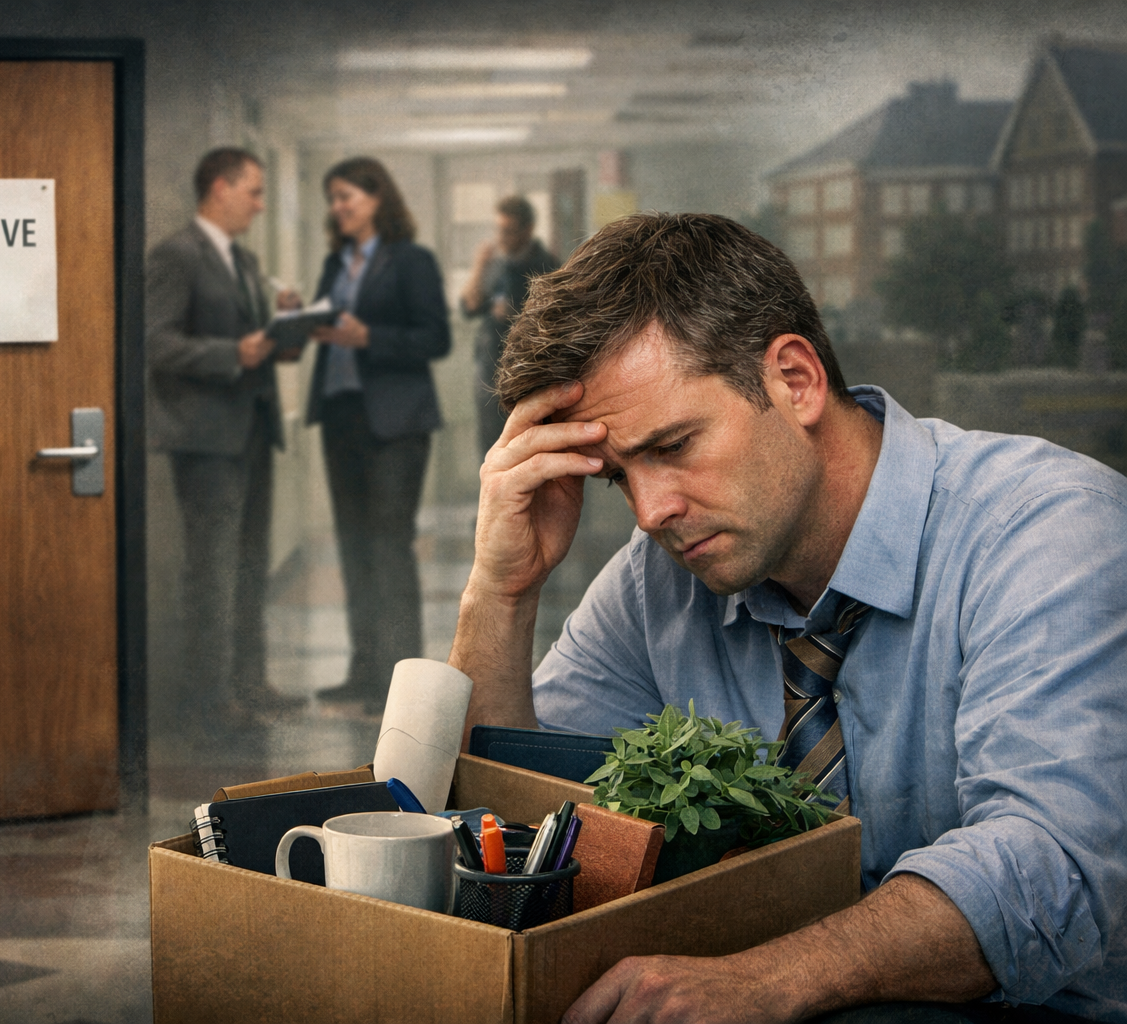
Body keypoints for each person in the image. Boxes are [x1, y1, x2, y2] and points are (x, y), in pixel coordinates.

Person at [451, 213, 1127, 1023]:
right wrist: (501, 592)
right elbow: (525, 837)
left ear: (796, 380)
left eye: (673, 445)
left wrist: (766, 981)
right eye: (618, 477)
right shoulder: (658, 581)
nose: (650, 511)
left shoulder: (1049, 529)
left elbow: (1052, 869)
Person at [146, 147, 302, 724]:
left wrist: (283, 328)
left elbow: (255, 344)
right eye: (254, 192)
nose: (260, 205)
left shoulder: (242, 261)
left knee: (249, 563)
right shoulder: (176, 256)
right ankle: (210, 700)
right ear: (219, 188)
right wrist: (227, 353)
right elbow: (154, 343)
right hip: (206, 440)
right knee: (212, 570)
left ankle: (248, 681)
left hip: (251, 432)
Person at [304, 156, 451, 714]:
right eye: (333, 199)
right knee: (353, 547)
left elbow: (435, 338)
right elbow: (329, 329)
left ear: (376, 199)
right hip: (342, 417)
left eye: (347, 197)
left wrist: (372, 337)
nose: (338, 208)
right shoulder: (334, 263)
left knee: (389, 546)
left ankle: (398, 680)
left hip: (396, 423)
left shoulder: (410, 261)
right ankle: (363, 670)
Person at [459, 195, 559, 460]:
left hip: (530, 375)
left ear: (527, 230)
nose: (501, 237)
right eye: (498, 230)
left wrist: (515, 314)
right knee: (491, 450)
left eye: (508, 230)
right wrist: (479, 266)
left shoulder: (548, 265)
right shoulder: (496, 265)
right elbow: (469, 307)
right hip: (491, 369)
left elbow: (556, 321)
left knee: (530, 450)